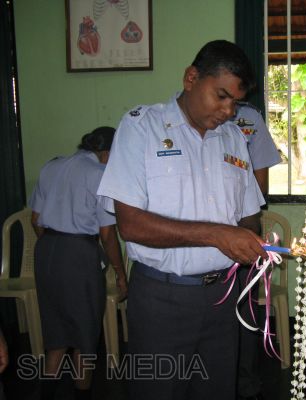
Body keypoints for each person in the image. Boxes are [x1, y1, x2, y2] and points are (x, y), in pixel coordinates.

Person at [97, 40, 268, 400]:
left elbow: (250, 215)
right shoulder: (142, 128)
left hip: (223, 298)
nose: (228, 111)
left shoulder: (234, 138)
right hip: (162, 299)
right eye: (221, 96)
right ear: (191, 78)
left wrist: (247, 240)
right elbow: (130, 225)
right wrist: (217, 235)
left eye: (235, 102)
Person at [29, 127, 128, 400]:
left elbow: (35, 219)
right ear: (107, 153)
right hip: (78, 254)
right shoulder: (100, 175)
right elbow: (107, 234)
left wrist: (55, 245)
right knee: (85, 334)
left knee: (56, 332)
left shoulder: (51, 166)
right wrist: (120, 273)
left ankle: (46, 394)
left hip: (46, 250)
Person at [231, 102, 281, 400]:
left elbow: (260, 184)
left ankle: (246, 381)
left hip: (243, 223)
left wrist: (241, 224)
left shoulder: (249, 118)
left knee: (244, 305)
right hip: (206, 229)